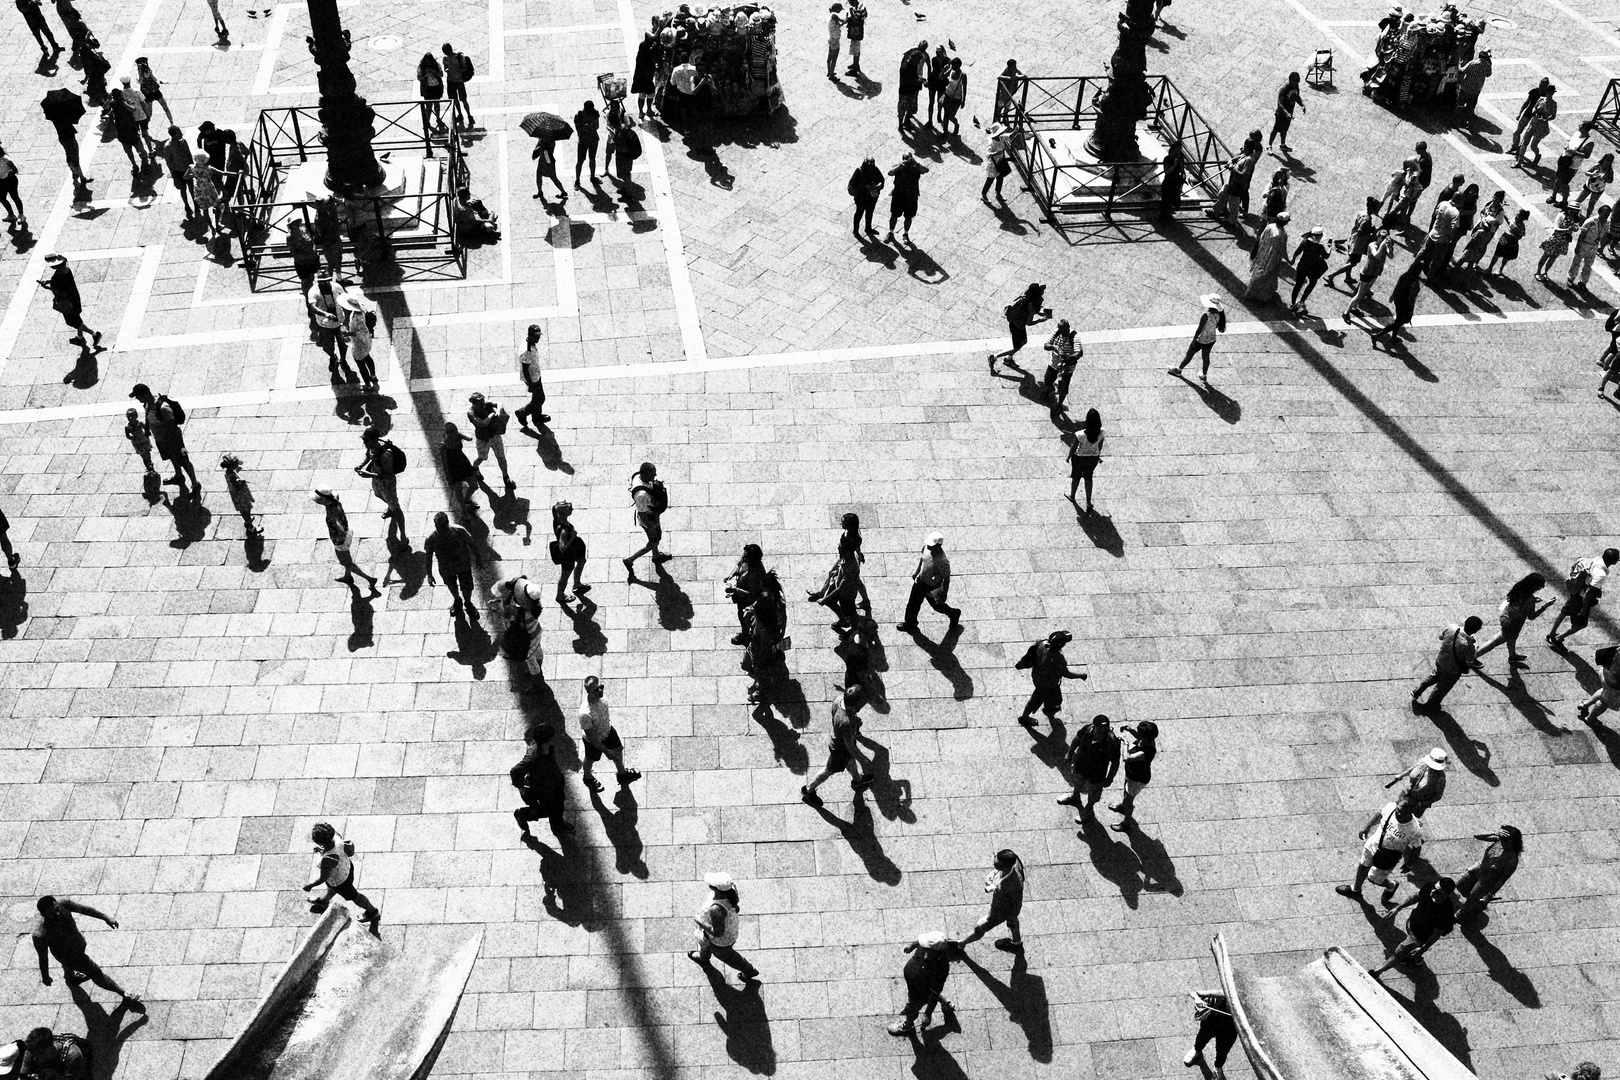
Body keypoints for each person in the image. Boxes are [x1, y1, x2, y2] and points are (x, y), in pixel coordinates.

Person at [32, 896, 143, 1011]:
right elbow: (43, 957)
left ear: (56, 903)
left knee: (69, 965)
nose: (57, 913)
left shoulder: (63, 903)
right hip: (69, 955)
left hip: (78, 944)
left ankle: (70, 977)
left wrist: (106, 918)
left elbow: (85, 910)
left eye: (57, 909)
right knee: (96, 973)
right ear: (43, 914)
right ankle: (124, 994)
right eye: (51, 913)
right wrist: (45, 976)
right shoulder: (40, 933)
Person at [1335, 798, 1424, 907]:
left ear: (1410, 812)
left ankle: (1391, 885)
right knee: (1363, 866)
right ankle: (1356, 889)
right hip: (1372, 846)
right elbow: (1380, 815)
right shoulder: (1391, 807)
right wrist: (1366, 828)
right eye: (1398, 810)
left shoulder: (1414, 829)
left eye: (1402, 812)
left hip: (1387, 857)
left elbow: (1416, 847)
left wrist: (1410, 863)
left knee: (1373, 879)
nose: (1398, 813)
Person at [1368, 877, 1457, 976]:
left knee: (1398, 953)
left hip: (1419, 937)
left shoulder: (1446, 912)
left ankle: (1376, 972)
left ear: (1446, 895)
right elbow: (1416, 896)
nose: (1432, 892)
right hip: (1412, 923)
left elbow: (1436, 934)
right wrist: (1398, 908)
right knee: (1410, 951)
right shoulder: (1429, 886)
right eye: (1434, 888)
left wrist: (1423, 948)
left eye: (1438, 892)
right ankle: (1416, 959)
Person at [801, 687, 873, 803]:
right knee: (829, 770)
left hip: (840, 742)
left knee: (850, 761)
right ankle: (809, 790)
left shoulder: (838, 700)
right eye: (863, 703)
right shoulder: (847, 723)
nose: (864, 704)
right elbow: (850, 747)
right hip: (840, 750)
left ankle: (857, 780)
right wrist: (863, 760)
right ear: (856, 704)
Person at [301, 822, 381, 926]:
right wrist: (322, 851)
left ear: (321, 843)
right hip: (346, 868)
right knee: (332, 888)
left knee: (354, 896)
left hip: (340, 881)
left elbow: (323, 878)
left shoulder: (327, 859)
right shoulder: (336, 837)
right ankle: (324, 901)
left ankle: (372, 912)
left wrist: (310, 885)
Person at [690, 871, 759, 982]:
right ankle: (704, 957)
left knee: (728, 957)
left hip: (721, 942)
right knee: (706, 944)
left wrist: (699, 921)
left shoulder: (716, 908)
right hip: (721, 933)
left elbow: (718, 932)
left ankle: (749, 970)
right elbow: (736, 909)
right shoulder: (729, 893)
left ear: (716, 889)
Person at [888, 931, 960, 1036]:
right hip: (917, 979)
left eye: (925, 946)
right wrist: (911, 946)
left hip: (919, 989)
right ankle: (945, 1003)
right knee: (931, 989)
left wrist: (928, 1013)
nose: (922, 945)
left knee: (913, 1007)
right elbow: (920, 942)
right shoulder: (933, 944)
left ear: (935, 951)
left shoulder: (941, 968)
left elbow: (935, 991)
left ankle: (907, 1026)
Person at [511, 721, 573, 843]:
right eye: (553, 737)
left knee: (559, 805)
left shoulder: (548, 747)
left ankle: (558, 824)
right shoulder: (534, 757)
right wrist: (522, 789)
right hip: (543, 790)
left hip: (555, 783)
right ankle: (522, 814)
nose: (556, 738)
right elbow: (515, 771)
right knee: (546, 810)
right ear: (547, 740)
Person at [1471, 572, 1550, 668]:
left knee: (1512, 640)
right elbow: (1531, 616)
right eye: (1541, 585)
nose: (1543, 587)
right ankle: (1471, 659)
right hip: (1514, 625)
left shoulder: (1519, 588)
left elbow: (1515, 601)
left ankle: (1512, 656)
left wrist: (1533, 600)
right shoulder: (1529, 599)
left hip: (1510, 618)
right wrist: (1545, 606)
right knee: (1494, 642)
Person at [577, 675, 641, 791]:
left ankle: (622, 773)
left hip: (608, 730)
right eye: (596, 689)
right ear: (588, 692)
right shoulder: (585, 713)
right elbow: (592, 738)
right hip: (594, 741)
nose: (600, 690)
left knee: (618, 750)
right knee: (591, 759)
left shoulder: (602, 698)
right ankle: (587, 777)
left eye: (601, 687)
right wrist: (606, 751)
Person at [130, 383, 197, 491]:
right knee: (172, 458)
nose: (137, 399)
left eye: (138, 396)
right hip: (161, 440)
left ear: (145, 394)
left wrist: (181, 446)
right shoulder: (147, 404)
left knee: (184, 462)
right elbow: (148, 416)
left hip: (172, 441)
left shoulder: (163, 408)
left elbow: (174, 429)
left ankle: (195, 484)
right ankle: (179, 476)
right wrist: (147, 429)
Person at [807, 512, 867, 633]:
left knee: (850, 612)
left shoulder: (851, 562)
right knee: (833, 582)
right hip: (844, 573)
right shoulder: (845, 552)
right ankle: (843, 619)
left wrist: (824, 599)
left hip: (847, 593)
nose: (838, 548)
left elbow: (841, 588)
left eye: (844, 522)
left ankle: (854, 631)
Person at [1014, 630, 1087, 727]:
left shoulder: (1042, 643)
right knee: (1035, 699)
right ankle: (1024, 718)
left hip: (1037, 676)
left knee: (1051, 698)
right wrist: (1080, 675)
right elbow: (1066, 673)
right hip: (1047, 684)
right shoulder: (1057, 658)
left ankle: (1049, 708)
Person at [1411, 616, 1482, 713]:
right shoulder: (1469, 645)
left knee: (1435, 675)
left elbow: (1441, 637)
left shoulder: (1452, 627)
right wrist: (1475, 647)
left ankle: (1417, 691)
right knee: (1441, 688)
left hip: (1440, 660)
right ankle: (1430, 706)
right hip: (1452, 670)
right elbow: (1470, 661)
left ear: (1465, 622)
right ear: (1476, 631)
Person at [1057, 713, 1121, 820]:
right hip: (1081, 765)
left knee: (1094, 793)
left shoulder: (1113, 742)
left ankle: (1089, 810)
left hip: (1096, 773)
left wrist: (1109, 779)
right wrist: (1070, 752)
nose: (1103, 733)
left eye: (1105, 730)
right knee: (1077, 781)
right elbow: (1077, 739)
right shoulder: (1087, 730)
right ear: (1094, 727)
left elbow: (1115, 762)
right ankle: (1075, 796)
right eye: (1100, 731)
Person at [958, 850, 1024, 952]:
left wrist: (1012, 916)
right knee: (1013, 922)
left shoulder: (1013, 886)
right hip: (1005, 905)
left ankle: (961, 944)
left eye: (997, 865)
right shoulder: (1014, 861)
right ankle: (1016, 943)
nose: (994, 863)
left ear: (1006, 867)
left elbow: (1017, 903)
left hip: (1000, 910)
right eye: (995, 858)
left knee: (980, 927)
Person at [313, 490, 378, 592]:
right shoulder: (335, 501)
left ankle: (370, 579)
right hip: (348, 532)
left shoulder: (331, 514)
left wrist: (338, 540)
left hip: (341, 541)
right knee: (347, 560)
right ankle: (348, 576)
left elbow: (341, 531)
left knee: (346, 563)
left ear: (325, 500)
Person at [1454, 826, 1522, 923]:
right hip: (1478, 868)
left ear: (1513, 842)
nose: (1503, 843)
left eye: (1506, 841)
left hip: (1486, 880)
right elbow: (1476, 836)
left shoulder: (1512, 860)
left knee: (1471, 899)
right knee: (1460, 885)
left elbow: (1502, 880)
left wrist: (1490, 895)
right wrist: (1494, 832)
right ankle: (1475, 903)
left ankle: (1462, 914)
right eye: (1502, 839)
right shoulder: (1498, 840)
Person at [897, 532, 960, 633]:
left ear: (938, 546)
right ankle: (910, 623)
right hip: (920, 581)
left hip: (932, 587)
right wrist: (917, 572)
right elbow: (922, 559)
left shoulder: (942, 561)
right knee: (913, 604)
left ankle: (953, 613)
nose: (929, 547)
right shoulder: (927, 547)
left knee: (937, 606)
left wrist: (944, 593)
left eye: (932, 545)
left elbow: (946, 578)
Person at [356, 425, 407, 550]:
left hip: (386, 483)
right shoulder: (372, 447)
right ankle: (391, 506)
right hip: (377, 480)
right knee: (377, 494)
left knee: (396, 508)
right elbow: (369, 455)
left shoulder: (385, 454)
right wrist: (361, 465)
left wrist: (368, 474)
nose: (364, 442)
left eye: (366, 440)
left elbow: (387, 474)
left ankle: (404, 537)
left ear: (374, 440)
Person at [37, 253, 100, 354]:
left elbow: (60, 291)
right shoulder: (65, 269)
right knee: (77, 318)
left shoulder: (58, 276)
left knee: (73, 321)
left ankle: (94, 334)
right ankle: (80, 338)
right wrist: (50, 281)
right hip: (74, 298)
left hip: (67, 302)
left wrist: (48, 287)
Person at [424, 511, 477, 617]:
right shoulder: (431, 539)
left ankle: (468, 602)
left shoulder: (459, 531)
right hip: (446, 568)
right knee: (452, 586)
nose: (440, 529)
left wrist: (478, 558)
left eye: (442, 526)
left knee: (467, 587)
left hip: (463, 565)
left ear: (447, 523)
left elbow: (471, 544)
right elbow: (428, 557)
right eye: (438, 527)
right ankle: (457, 600)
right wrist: (429, 575)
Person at [1110, 721, 1158, 828]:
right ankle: (1122, 806)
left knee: (1129, 800)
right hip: (1131, 773)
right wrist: (1129, 729)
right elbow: (1139, 737)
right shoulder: (1147, 740)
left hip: (1137, 779)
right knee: (1126, 791)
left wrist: (1125, 742)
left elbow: (1126, 758)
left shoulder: (1145, 752)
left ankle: (1126, 823)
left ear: (1145, 737)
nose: (1138, 734)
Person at [623, 461, 669, 571]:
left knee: (653, 539)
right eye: (652, 474)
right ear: (645, 474)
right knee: (654, 541)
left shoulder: (637, 477)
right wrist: (651, 526)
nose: (655, 476)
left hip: (651, 514)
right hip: (649, 518)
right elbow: (642, 513)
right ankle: (630, 560)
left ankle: (656, 556)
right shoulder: (641, 495)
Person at [990, 282, 1047, 370]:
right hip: (1018, 326)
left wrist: (1039, 312)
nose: (1042, 292)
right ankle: (995, 357)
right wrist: (1040, 320)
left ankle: (1009, 358)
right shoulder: (1031, 305)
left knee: (1022, 342)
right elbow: (1029, 322)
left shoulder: (1025, 296)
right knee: (1017, 346)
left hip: (1014, 323)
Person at [466, 392, 513, 491]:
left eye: (483, 402)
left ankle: (506, 477)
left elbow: (499, 403)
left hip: (495, 435)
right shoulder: (471, 412)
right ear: (474, 404)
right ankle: (474, 468)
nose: (483, 405)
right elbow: (482, 423)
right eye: (480, 403)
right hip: (482, 439)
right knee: (482, 457)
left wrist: (499, 410)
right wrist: (492, 414)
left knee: (501, 457)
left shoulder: (485, 404)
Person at [1369, 259, 1423, 343]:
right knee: (1400, 321)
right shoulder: (1414, 282)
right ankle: (1377, 335)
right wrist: (1410, 309)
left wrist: (1392, 296)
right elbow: (1411, 297)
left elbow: (1397, 287)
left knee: (1398, 320)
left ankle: (1393, 337)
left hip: (1398, 301)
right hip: (1405, 304)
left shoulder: (1405, 276)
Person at [1174, 293, 1226, 380]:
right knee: (1206, 357)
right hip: (1211, 339)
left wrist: (1194, 339)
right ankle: (1204, 375)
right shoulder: (1219, 315)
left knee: (1189, 354)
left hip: (1200, 340)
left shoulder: (1206, 315)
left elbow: (1199, 329)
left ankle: (1179, 369)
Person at [1345, 228, 1394, 319]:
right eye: (1382, 237)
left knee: (1363, 293)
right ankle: (1346, 312)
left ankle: (1354, 308)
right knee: (1359, 295)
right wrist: (1383, 245)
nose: (1384, 239)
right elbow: (1377, 256)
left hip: (1375, 272)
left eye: (1386, 237)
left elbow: (1391, 256)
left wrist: (1389, 246)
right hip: (1367, 272)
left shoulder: (1385, 246)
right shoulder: (1372, 245)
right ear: (1377, 237)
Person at [337, 279, 378, 387]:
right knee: (368, 358)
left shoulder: (356, 318)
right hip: (367, 341)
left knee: (361, 364)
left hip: (360, 344)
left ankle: (368, 384)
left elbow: (359, 333)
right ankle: (373, 376)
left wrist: (347, 334)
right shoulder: (362, 308)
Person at [1244, 211, 1290, 303]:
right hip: (1272, 258)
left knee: (1259, 273)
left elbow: (1261, 238)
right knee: (1267, 276)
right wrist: (1289, 260)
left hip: (1262, 252)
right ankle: (1260, 295)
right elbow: (1282, 249)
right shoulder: (1282, 235)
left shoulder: (1270, 226)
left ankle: (1252, 292)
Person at [1454, 190, 1506, 271]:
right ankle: (1470, 264)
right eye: (1494, 197)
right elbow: (1482, 212)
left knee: (1482, 246)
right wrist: (1484, 219)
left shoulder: (1500, 211)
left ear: (1500, 200)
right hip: (1480, 226)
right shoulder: (1489, 204)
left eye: (1496, 199)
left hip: (1488, 231)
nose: (1494, 200)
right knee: (1475, 245)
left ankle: (1475, 262)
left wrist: (1490, 223)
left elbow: (1498, 222)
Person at [1389, 746, 1448, 817]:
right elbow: (1413, 768)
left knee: (1406, 820)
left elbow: (1438, 796)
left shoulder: (1440, 778)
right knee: (1394, 811)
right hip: (1405, 793)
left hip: (1417, 803)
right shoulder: (1422, 762)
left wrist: (1421, 804)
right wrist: (1401, 775)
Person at [1550, 122, 1596, 208]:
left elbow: (1586, 155)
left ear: (1586, 129)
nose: (1579, 126)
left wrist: (1574, 152)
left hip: (1572, 165)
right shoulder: (1577, 134)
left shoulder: (1589, 142)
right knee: (1558, 178)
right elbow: (1570, 141)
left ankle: (1564, 201)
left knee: (1564, 183)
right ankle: (1553, 196)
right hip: (1564, 159)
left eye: (1581, 126)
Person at [884, 153, 927, 245]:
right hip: (899, 195)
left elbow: (926, 170)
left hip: (911, 196)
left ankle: (906, 234)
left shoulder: (916, 168)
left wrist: (917, 164)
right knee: (894, 215)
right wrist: (899, 167)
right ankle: (891, 232)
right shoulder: (899, 167)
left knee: (908, 216)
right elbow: (890, 173)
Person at [1068, 407, 1104, 513]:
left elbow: (1074, 447)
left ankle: (1072, 496)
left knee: (1076, 477)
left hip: (1079, 458)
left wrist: (1069, 456)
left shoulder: (1080, 435)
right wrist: (1098, 455)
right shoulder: (1101, 433)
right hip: (1093, 458)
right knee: (1088, 477)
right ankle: (1088, 502)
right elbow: (1099, 446)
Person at [550, 500, 588, 602]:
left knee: (581, 561)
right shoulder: (563, 530)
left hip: (575, 548)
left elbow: (554, 508)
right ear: (564, 512)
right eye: (569, 509)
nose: (571, 510)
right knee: (565, 575)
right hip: (568, 554)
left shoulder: (557, 518)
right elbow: (562, 549)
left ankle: (577, 584)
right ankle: (560, 595)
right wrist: (572, 537)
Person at [1288, 225, 1330, 314]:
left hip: (1302, 266)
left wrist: (1293, 259)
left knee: (1298, 285)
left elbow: (1297, 251)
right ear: (1320, 236)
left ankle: (1293, 304)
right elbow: (1326, 256)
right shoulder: (1320, 247)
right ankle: (1302, 301)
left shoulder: (1305, 242)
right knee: (1312, 283)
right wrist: (1330, 247)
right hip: (1313, 268)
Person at [514, 323, 549, 428]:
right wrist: (530, 384)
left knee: (536, 397)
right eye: (536, 336)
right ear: (530, 335)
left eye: (539, 336)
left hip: (536, 374)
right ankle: (522, 413)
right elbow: (525, 369)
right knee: (540, 398)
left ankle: (537, 417)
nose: (538, 338)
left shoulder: (529, 340)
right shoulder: (527, 351)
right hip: (532, 378)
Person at [20, 1028, 91, 1080]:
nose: (35, 1058)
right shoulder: (33, 1050)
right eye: (33, 1054)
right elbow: (23, 1074)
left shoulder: (73, 1056)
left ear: (50, 1047)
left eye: (39, 1055)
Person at [1533, 205, 1579, 283]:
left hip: (1563, 242)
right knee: (1545, 256)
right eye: (1573, 210)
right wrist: (1567, 229)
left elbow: (1576, 228)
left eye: (1576, 211)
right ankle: (1538, 272)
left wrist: (1575, 229)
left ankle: (1545, 272)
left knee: (1553, 258)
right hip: (1555, 239)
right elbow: (1556, 228)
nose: (1574, 212)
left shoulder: (1574, 218)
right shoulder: (1561, 215)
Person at [1040, 318, 1079, 409]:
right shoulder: (1056, 332)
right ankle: (1048, 390)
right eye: (1062, 330)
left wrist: (1069, 357)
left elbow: (1079, 352)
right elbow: (1046, 346)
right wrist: (1054, 347)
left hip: (1066, 367)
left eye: (1066, 329)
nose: (1064, 332)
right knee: (1047, 380)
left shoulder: (1074, 337)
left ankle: (1059, 404)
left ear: (1069, 327)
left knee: (1063, 387)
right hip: (1054, 363)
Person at [1514, 86, 1557, 167]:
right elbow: (1533, 108)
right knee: (1524, 142)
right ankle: (1519, 162)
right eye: (1549, 92)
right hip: (1533, 123)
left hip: (1542, 126)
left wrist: (1546, 119)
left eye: (1551, 93)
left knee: (1533, 145)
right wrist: (1535, 111)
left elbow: (1553, 115)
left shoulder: (1553, 104)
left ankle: (1537, 155)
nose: (1550, 94)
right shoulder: (1541, 99)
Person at [1568, 206, 1609, 289]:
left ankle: (1583, 282)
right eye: (1605, 214)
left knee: (1588, 265)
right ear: (1600, 212)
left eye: (1608, 214)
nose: (1607, 216)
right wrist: (1578, 246)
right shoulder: (1590, 222)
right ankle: (1570, 278)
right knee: (1576, 262)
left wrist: (1601, 248)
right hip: (1585, 244)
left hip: (1594, 246)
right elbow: (1582, 234)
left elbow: (1604, 235)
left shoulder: (1607, 223)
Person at [1577, 644, 1620, 724]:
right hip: (1615, 684)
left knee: (1604, 691)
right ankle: (1590, 719)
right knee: (1604, 702)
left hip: (1606, 671)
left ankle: (1585, 705)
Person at [220, 455, 260, 539]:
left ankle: (247, 520)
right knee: (246, 509)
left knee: (244, 510)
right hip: (240, 496)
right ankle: (250, 527)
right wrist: (242, 481)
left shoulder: (229, 472)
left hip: (237, 496)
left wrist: (237, 471)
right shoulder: (232, 477)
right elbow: (238, 487)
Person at [187, 151, 224, 239]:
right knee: (218, 206)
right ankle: (217, 224)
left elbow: (186, 176)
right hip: (209, 190)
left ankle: (212, 228)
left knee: (205, 211)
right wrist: (236, 174)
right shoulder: (209, 168)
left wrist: (194, 176)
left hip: (199, 191)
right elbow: (223, 173)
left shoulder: (191, 167)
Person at [1485, 208, 1530, 277]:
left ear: (1522, 218)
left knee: (1506, 257)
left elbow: (1520, 236)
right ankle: (1489, 268)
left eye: (1519, 216)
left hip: (1511, 243)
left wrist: (1514, 235)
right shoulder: (1514, 219)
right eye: (1517, 214)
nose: (1517, 216)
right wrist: (1504, 215)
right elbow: (1509, 221)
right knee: (1496, 254)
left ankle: (1500, 269)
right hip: (1504, 238)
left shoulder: (1522, 227)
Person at [1267, 71, 1305, 154]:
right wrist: (1286, 113)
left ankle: (1283, 145)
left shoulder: (1296, 86)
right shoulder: (1284, 89)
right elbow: (1279, 104)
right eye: (1296, 80)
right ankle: (1269, 146)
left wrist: (1302, 105)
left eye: (1298, 80)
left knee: (1285, 129)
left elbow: (1296, 96)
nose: (1298, 82)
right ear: (1291, 80)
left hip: (1289, 114)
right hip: (1281, 114)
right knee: (1276, 129)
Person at [441, 42, 477, 129]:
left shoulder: (459, 57)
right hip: (450, 81)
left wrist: (457, 71)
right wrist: (447, 70)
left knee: (463, 99)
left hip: (459, 81)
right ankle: (460, 114)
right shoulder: (445, 58)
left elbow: (465, 68)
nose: (447, 54)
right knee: (454, 99)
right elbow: (445, 67)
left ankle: (469, 115)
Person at [848, 156, 883, 238]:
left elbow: (881, 180)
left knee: (869, 212)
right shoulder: (859, 171)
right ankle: (855, 231)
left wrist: (878, 187)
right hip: (861, 197)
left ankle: (868, 228)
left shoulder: (875, 170)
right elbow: (854, 184)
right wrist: (864, 186)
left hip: (871, 197)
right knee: (859, 213)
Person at [896, 40, 926, 132]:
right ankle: (900, 125)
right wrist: (918, 81)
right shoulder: (905, 67)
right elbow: (907, 81)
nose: (918, 63)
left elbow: (915, 76)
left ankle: (906, 121)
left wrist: (919, 80)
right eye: (918, 61)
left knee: (911, 108)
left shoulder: (913, 65)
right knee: (902, 109)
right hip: (905, 92)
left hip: (912, 91)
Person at [417, 52, 446, 139]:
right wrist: (425, 75)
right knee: (428, 106)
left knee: (437, 104)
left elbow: (441, 74)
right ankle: (427, 122)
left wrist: (434, 72)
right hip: (427, 88)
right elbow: (419, 78)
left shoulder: (436, 65)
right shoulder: (421, 67)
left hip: (436, 87)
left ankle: (438, 118)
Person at [982, 123, 1013, 203]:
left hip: (1000, 162)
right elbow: (988, 154)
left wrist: (1016, 131)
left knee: (1000, 178)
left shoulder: (1001, 138)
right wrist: (997, 153)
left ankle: (998, 193)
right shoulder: (991, 143)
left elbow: (1010, 136)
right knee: (990, 180)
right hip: (993, 165)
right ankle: (983, 194)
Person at [123, 407, 156, 481]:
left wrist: (147, 433)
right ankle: (149, 467)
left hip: (143, 440)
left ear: (136, 416)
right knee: (143, 455)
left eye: (132, 416)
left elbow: (147, 429)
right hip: (137, 443)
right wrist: (132, 437)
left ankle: (150, 464)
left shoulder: (139, 423)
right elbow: (127, 435)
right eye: (129, 416)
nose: (130, 418)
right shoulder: (127, 426)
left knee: (147, 453)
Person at [1455, 48, 1490, 114]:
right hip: (1476, 89)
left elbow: (1462, 71)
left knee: (1460, 104)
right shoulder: (1487, 65)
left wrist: (1459, 64)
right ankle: (1469, 116)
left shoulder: (1472, 63)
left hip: (1465, 87)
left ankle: (1458, 115)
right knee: (1471, 106)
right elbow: (1488, 74)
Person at [532, 136, 566, 203]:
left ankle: (563, 192)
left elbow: (547, 151)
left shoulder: (551, 141)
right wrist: (536, 149)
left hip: (548, 161)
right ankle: (539, 191)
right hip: (542, 160)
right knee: (538, 175)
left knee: (553, 178)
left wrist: (541, 145)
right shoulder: (542, 137)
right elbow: (538, 144)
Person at [631, 30, 657, 118]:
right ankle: (646, 110)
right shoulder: (645, 48)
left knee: (645, 93)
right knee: (647, 93)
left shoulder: (644, 47)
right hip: (645, 75)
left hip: (643, 75)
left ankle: (644, 111)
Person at [574, 99, 600, 185]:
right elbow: (578, 130)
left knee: (592, 158)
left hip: (593, 139)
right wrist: (585, 127)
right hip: (583, 141)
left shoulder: (595, 113)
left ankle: (592, 177)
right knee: (580, 161)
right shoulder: (579, 116)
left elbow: (597, 126)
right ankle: (577, 180)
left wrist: (592, 125)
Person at [1159, 140, 1186, 221]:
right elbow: (1167, 171)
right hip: (1168, 181)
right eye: (1177, 150)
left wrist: (1181, 163)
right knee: (1165, 201)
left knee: (1174, 201)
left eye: (1180, 150)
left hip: (1175, 182)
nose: (1178, 152)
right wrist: (1174, 165)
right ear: (1173, 149)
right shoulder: (1167, 159)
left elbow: (1181, 170)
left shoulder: (1180, 158)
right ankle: (1164, 217)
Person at [939, 57, 966, 136]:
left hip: (956, 98)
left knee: (951, 116)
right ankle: (945, 132)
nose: (951, 67)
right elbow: (941, 77)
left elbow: (964, 88)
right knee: (946, 115)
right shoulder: (950, 71)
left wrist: (963, 100)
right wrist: (944, 70)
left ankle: (956, 124)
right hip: (948, 95)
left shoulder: (963, 75)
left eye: (953, 65)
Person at [844, 0, 866, 76]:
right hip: (857, 31)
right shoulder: (860, 6)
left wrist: (850, 12)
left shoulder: (859, 8)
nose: (849, 3)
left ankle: (855, 69)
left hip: (856, 32)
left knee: (855, 50)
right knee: (856, 49)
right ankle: (855, 64)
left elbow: (856, 20)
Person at [825, 3, 844, 79]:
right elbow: (843, 20)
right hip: (835, 39)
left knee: (830, 55)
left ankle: (829, 71)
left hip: (831, 38)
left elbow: (838, 25)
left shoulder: (831, 16)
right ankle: (832, 75)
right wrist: (847, 19)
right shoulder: (834, 15)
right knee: (834, 57)